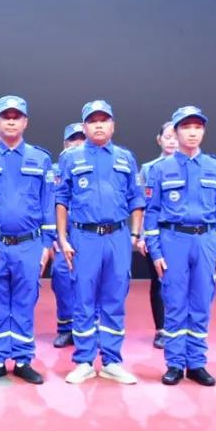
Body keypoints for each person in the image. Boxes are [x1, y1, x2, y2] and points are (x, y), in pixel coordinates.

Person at [55, 100, 145, 385]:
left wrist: (134, 235)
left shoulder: (125, 158)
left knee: (115, 298)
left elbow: (136, 198)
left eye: (103, 120)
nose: (98, 125)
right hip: (84, 237)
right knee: (83, 298)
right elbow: (61, 199)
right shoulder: (70, 158)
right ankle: (83, 360)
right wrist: (62, 237)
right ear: (84, 127)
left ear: (113, 125)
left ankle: (111, 361)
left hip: (118, 236)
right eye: (92, 121)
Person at [143, 106, 216, 387]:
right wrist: (155, 251)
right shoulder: (159, 169)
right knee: (175, 301)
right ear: (176, 132)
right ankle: (175, 363)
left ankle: (197, 363)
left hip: (205, 241)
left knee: (201, 302)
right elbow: (152, 212)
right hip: (173, 241)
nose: (192, 133)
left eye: (198, 127)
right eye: (186, 127)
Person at [0, 96, 54, 385]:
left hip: (28, 244)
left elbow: (48, 202)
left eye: (16, 116)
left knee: (25, 301)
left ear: (25, 122)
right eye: (5, 116)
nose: (11, 121)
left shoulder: (40, 159)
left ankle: (23, 359)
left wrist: (47, 244)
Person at [140, 121, 178, 349]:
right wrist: (143, 236)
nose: (172, 141)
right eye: (168, 137)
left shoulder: (192, 166)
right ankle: (161, 329)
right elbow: (143, 206)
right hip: (156, 234)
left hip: (180, 235)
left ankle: (181, 327)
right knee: (159, 281)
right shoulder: (149, 169)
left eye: (175, 137)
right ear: (159, 140)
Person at [51, 122, 85, 348]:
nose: (77, 143)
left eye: (82, 139)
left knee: (91, 279)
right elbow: (46, 203)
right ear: (65, 144)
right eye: (73, 139)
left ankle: (89, 327)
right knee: (61, 274)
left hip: (88, 231)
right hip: (63, 233)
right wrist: (54, 235)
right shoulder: (53, 170)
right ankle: (66, 326)